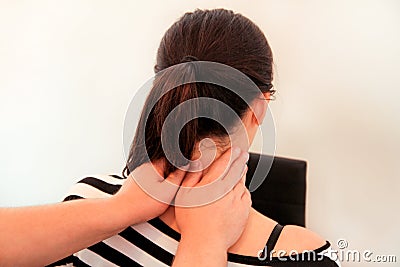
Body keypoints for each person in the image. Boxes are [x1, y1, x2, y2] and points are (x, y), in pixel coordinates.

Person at [49, 8, 341, 267]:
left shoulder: (85, 202)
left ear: (162, 90)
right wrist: (204, 243)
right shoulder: (303, 255)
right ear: (259, 109)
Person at [0, 149, 251, 267]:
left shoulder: (88, 194)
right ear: (258, 109)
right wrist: (204, 246)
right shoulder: (288, 249)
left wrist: (119, 208)